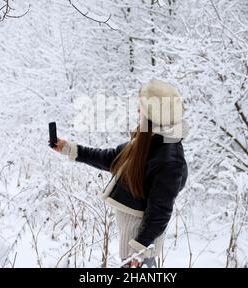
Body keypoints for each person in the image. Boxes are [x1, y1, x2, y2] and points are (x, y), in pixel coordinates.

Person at [51, 79, 188, 268]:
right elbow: (111, 158)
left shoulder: (169, 159)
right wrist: (69, 149)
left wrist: (139, 250)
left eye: (141, 108)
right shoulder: (146, 141)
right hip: (134, 247)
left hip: (140, 251)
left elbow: (160, 212)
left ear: (153, 115)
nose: (137, 112)